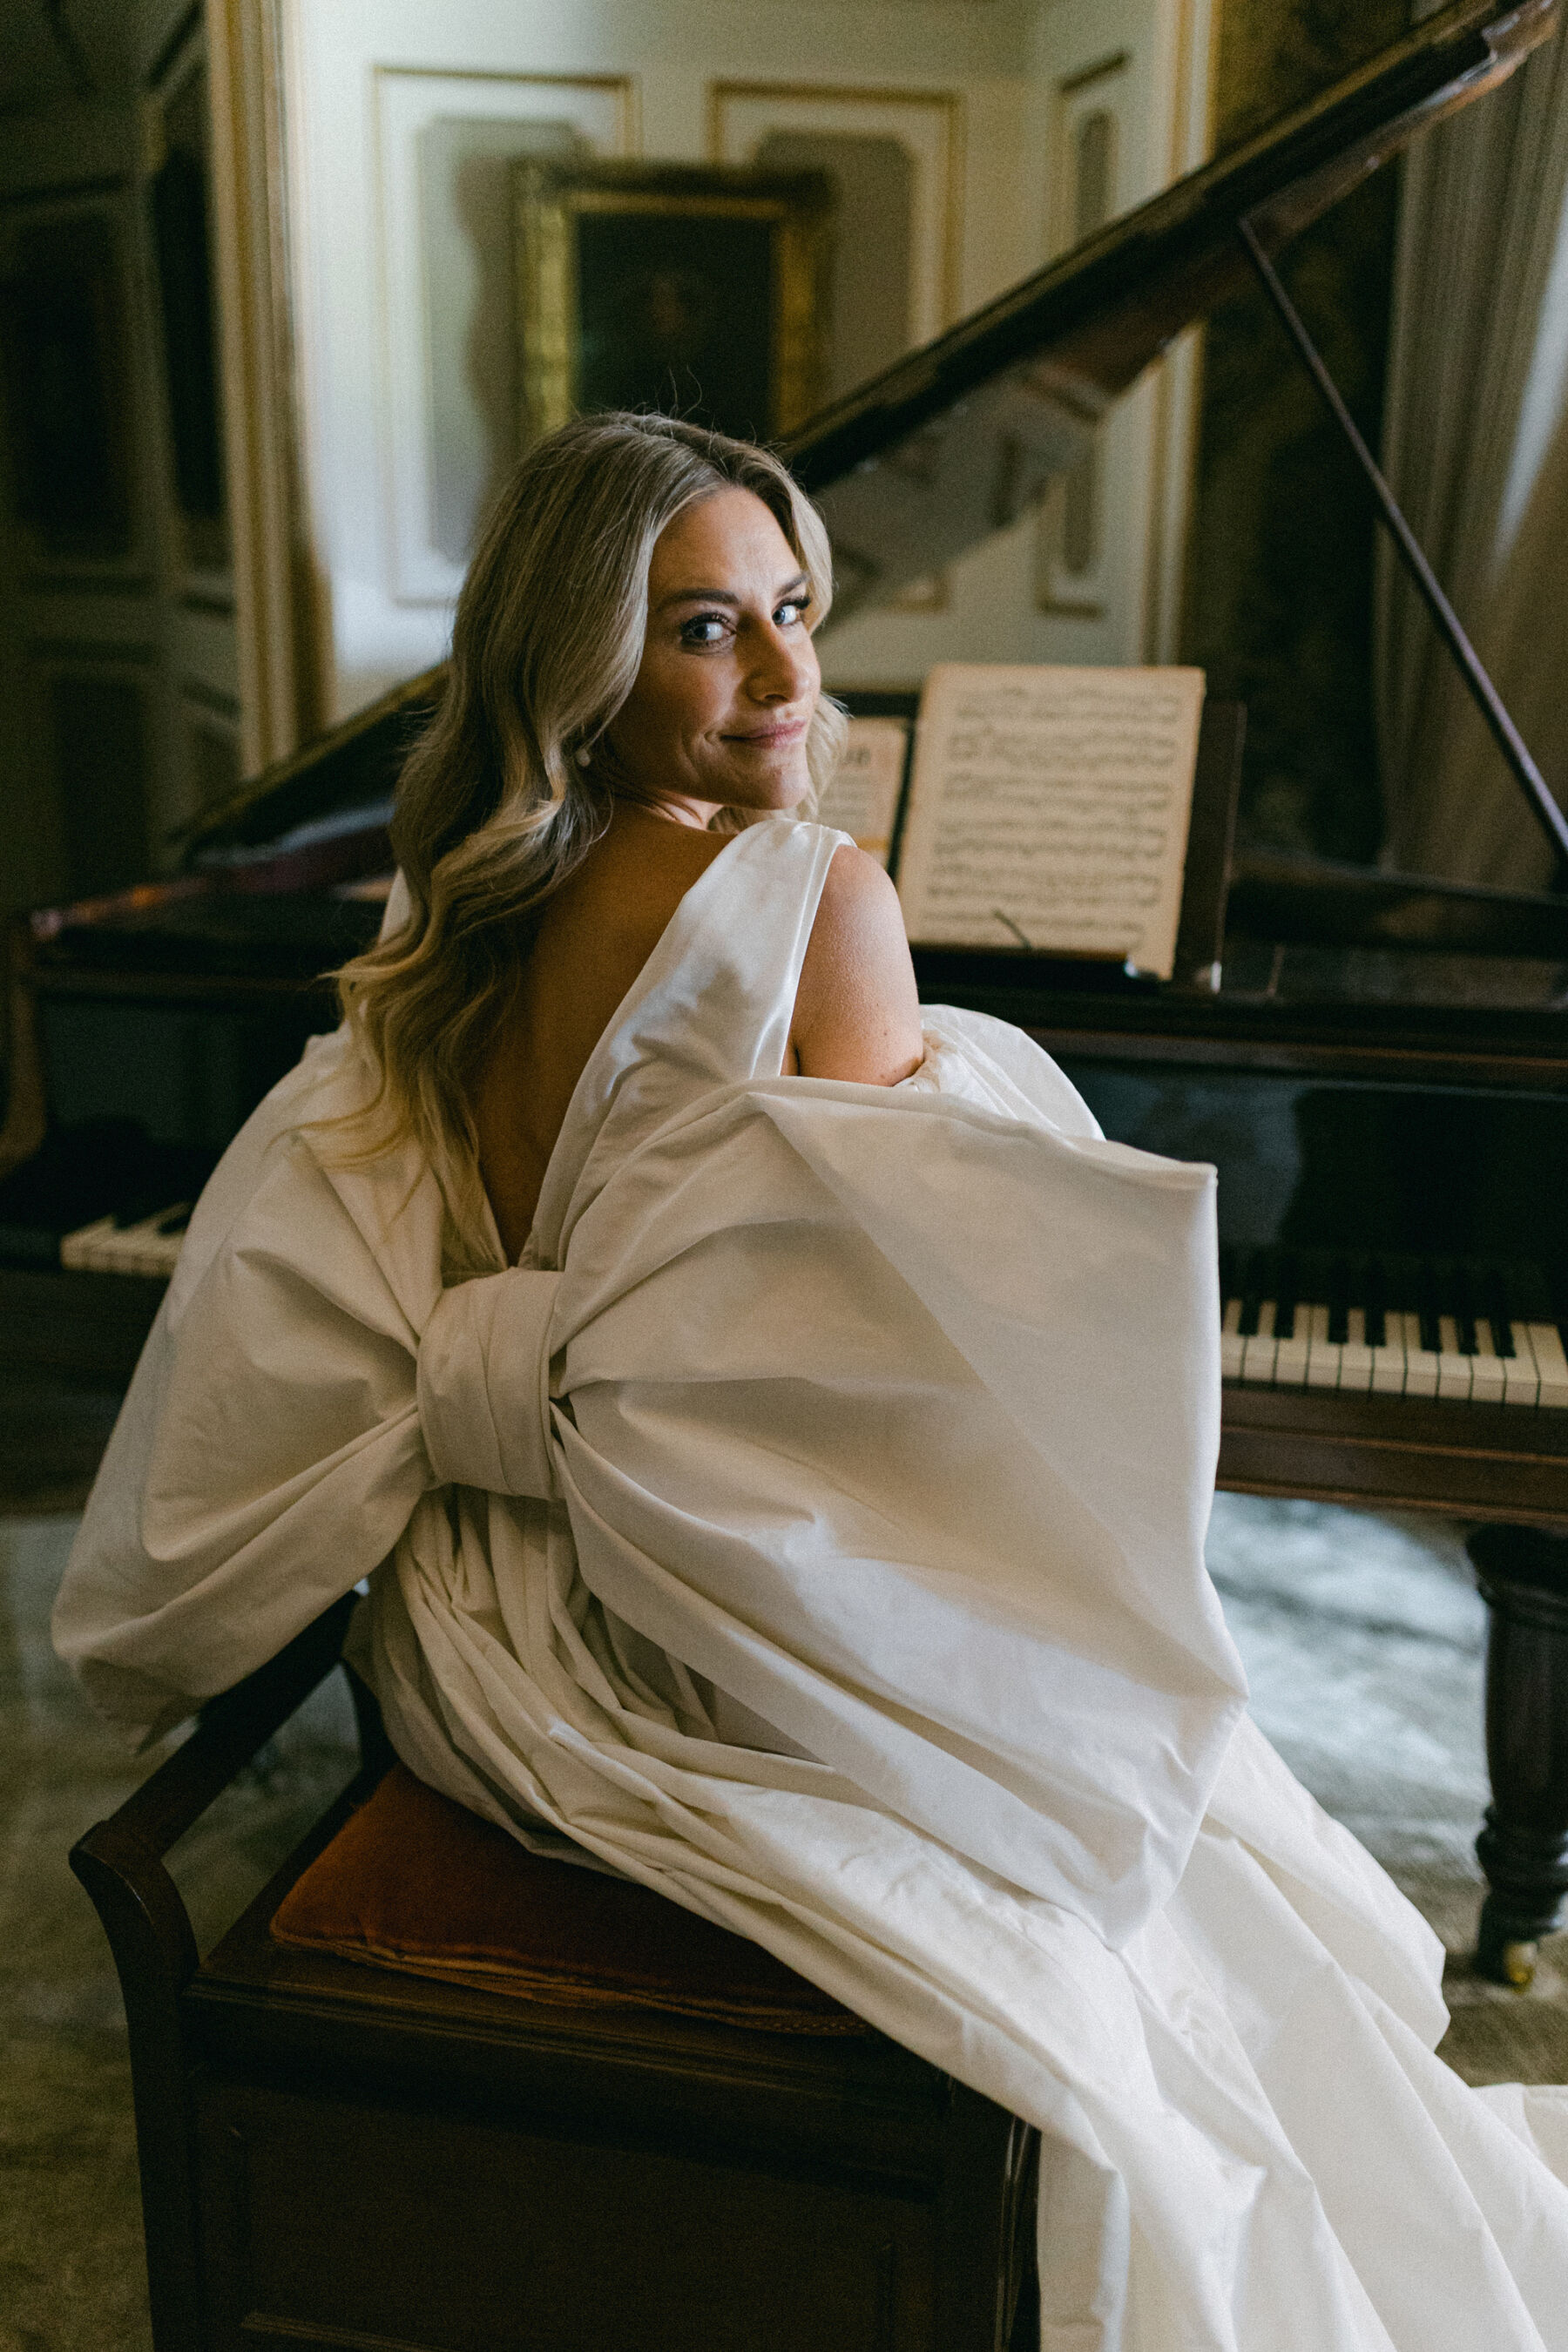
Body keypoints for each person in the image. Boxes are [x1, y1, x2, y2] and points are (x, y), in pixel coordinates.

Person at [55, 413, 1568, 2350]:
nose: (786, 676)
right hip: (700, 1632)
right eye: (705, 628)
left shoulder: (450, 904)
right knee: (1168, 1861)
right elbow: (899, 1406)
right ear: (579, 661)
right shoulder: (815, 898)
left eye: (794, 607)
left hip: (469, 1643)